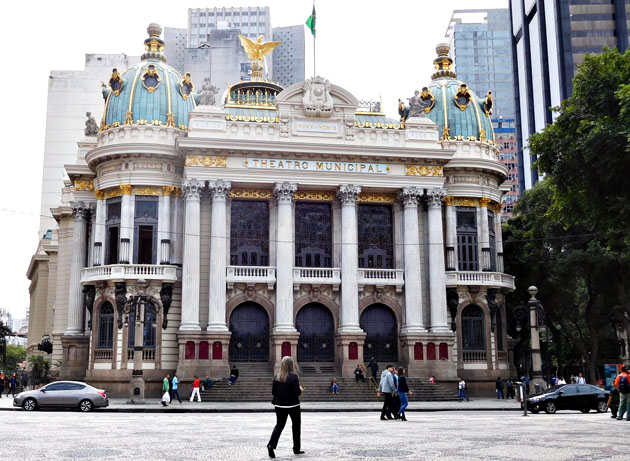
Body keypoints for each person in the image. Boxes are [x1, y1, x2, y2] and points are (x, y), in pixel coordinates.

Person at [267, 356, 304, 458]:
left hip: (279, 405)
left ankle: (271, 445)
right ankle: (296, 448)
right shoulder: (294, 377)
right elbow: (297, 393)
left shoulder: (276, 377)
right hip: (293, 405)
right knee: (296, 426)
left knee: (279, 426)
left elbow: (273, 392)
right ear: (291, 365)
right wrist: (300, 389)